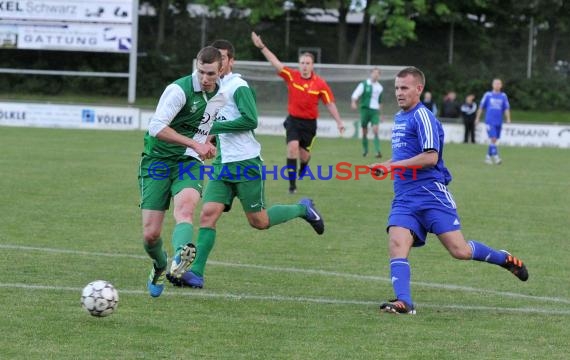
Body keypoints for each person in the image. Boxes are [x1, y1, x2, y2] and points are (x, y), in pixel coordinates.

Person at [167, 39, 325, 289]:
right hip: (222, 164)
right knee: (208, 215)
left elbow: (250, 120)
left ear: (230, 61)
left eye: (223, 58)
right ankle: (196, 273)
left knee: (259, 221)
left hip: (246, 163)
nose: (218, 63)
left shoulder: (238, 85)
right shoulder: (209, 88)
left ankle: (303, 209)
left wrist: (214, 128)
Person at [369, 67, 528, 315]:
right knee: (396, 243)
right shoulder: (400, 117)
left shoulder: (424, 117)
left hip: (431, 195)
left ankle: (504, 258)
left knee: (460, 251)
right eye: (397, 88)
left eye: (404, 88)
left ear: (418, 89)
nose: (399, 93)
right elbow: (404, 155)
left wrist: (392, 166)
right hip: (404, 197)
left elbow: (430, 157)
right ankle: (404, 302)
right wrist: (387, 166)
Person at [138, 46, 224, 297]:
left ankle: (180, 256)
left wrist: (209, 143)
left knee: (186, 208)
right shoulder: (179, 90)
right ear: (196, 67)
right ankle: (160, 265)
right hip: (157, 161)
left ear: (221, 70)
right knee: (151, 234)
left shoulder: (222, 96)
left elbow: (209, 127)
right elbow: (156, 127)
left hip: (188, 161)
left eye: (210, 74)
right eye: (201, 73)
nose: (205, 79)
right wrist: (195, 143)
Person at [251, 31, 345, 194]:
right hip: (293, 120)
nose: (304, 65)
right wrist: (262, 47)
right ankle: (292, 186)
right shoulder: (292, 76)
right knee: (292, 148)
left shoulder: (320, 84)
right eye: (302, 63)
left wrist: (339, 122)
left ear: (312, 65)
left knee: (304, 156)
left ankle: (304, 166)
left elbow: (329, 104)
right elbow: (276, 63)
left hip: (309, 124)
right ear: (299, 64)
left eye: (308, 63)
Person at [475, 78, 511, 164]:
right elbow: (481, 107)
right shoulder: (488, 95)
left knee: (494, 140)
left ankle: (487, 157)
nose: (497, 85)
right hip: (490, 120)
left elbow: (506, 108)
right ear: (492, 85)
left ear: (501, 85)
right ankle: (496, 157)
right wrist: (477, 118)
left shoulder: (503, 96)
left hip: (499, 121)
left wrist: (508, 118)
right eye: (496, 83)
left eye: (499, 84)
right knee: (493, 138)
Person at [351, 67, 384, 158]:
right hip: (365, 110)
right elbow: (355, 94)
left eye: (378, 73)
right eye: (374, 73)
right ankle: (365, 151)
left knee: (375, 130)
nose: (376, 75)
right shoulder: (364, 84)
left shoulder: (380, 87)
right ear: (371, 74)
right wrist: (353, 102)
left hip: (374, 112)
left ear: (379, 76)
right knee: (364, 132)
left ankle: (378, 151)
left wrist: (381, 114)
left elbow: (380, 102)